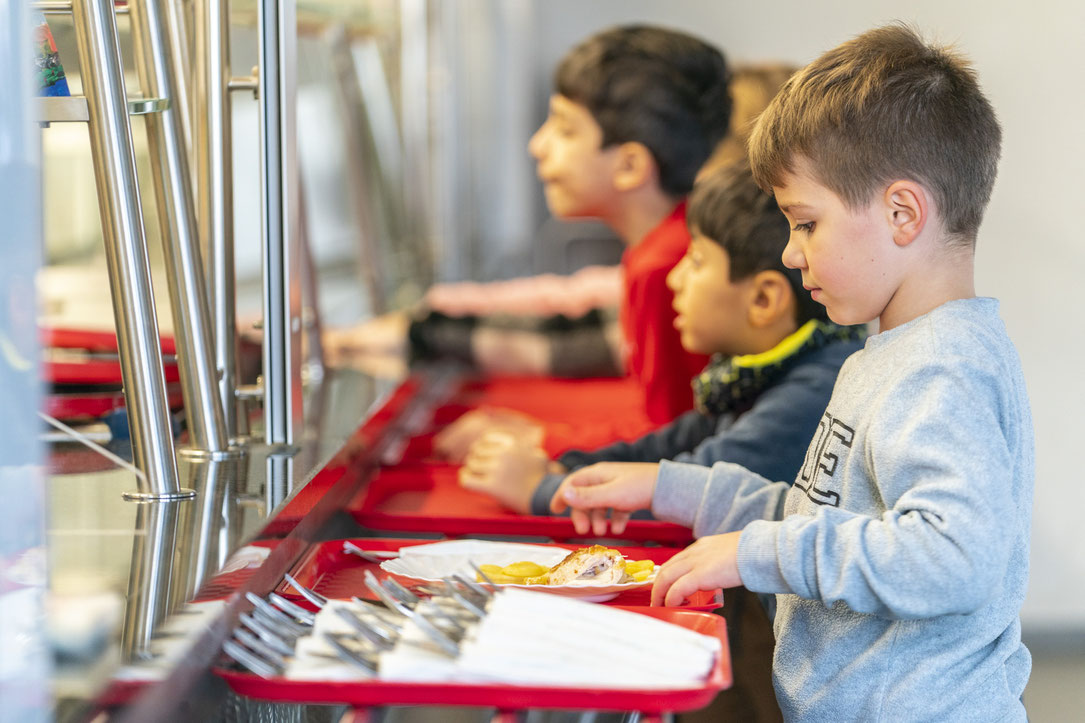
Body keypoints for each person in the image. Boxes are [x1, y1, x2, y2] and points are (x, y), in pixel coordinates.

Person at [551, 24, 1034, 722]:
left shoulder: (941, 370)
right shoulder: (893, 352)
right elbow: (823, 520)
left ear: (902, 213)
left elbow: (950, 555)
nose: (789, 251)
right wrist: (670, 486)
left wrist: (758, 552)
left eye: (804, 222)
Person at [329, 25, 732, 425]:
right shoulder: (662, 247)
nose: (537, 145)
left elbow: (675, 434)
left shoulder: (664, 263)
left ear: (630, 165)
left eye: (565, 128)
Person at [458, 161, 864, 522]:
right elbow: (670, 446)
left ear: (763, 299)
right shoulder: (760, 371)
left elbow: (693, 491)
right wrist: (563, 468)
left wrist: (544, 492)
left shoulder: (811, 390)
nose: (675, 278)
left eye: (697, 261)